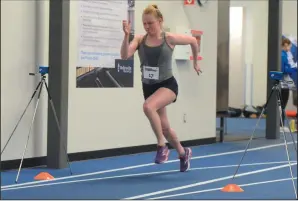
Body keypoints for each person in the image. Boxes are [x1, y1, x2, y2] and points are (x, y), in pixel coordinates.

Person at [120, 4, 201, 172]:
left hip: (167, 85)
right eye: (145, 24)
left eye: (151, 23)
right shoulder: (140, 40)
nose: (147, 27)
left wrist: (195, 62)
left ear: (160, 21)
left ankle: (161, 146)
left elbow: (193, 40)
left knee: (148, 106)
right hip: (149, 87)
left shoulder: (168, 38)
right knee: (164, 127)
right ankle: (182, 152)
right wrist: (126, 36)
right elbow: (125, 55)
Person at [280, 37, 297, 129]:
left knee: (282, 104)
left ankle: (280, 124)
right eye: (285, 46)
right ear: (282, 46)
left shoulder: (286, 54)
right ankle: (280, 125)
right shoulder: (283, 55)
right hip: (283, 82)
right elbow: (283, 69)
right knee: (282, 104)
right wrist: (293, 69)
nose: (287, 48)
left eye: (288, 46)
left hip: (285, 81)